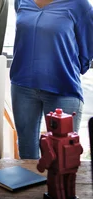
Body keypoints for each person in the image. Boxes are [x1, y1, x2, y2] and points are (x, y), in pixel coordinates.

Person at [11, 0, 93, 159]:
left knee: (63, 158)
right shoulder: (21, 1)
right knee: (26, 153)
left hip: (64, 89)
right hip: (22, 87)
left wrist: (71, 68)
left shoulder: (79, 4)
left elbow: (88, 47)